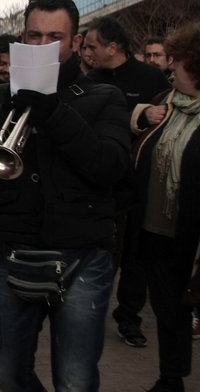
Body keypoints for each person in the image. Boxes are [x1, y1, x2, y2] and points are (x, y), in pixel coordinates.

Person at [0, 0, 130, 390]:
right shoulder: (1, 96)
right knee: (6, 371)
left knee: (75, 378)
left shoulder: (105, 97)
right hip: (13, 248)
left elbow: (110, 167)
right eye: (33, 36)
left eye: (53, 37)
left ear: (74, 43)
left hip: (83, 252)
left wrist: (52, 111)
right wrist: (8, 106)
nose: (41, 46)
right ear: (21, 38)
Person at [84, 16, 170, 349]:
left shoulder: (152, 78)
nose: (87, 52)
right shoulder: (89, 80)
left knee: (137, 256)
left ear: (112, 47)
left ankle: (129, 316)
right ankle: (91, 310)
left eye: (92, 46)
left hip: (143, 183)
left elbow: (163, 123)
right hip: (103, 183)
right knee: (104, 254)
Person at [127, 21, 200, 392]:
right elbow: (133, 136)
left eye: (179, 61)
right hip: (155, 231)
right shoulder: (164, 104)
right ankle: (171, 378)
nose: (170, 66)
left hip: (193, 239)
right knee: (168, 312)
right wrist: (141, 116)